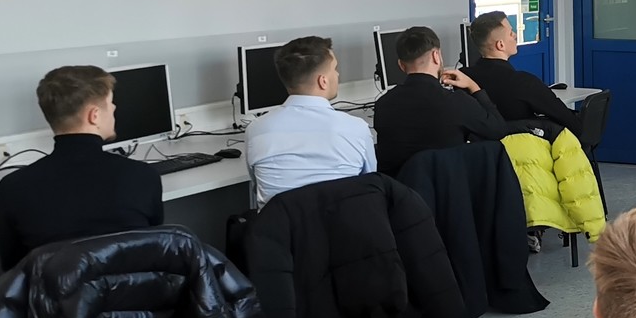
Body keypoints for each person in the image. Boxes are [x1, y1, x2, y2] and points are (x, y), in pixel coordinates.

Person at [0, 65, 164, 318]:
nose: (115, 110)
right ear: (94, 115)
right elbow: (153, 253)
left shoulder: (13, 188)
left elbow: (13, 267)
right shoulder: (143, 177)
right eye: (111, 104)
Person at [244, 36, 376, 207]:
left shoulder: (255, 130)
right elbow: (370, 185)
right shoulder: (357, 129)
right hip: (342, 222)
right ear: (323, 81)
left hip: (278, 223)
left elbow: (257, 186)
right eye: (335, 69)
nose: (337, 74)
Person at [371, 25, 509, 177]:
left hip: (398, 189)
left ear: (401, 65)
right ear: (436, 56)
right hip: (446, 187)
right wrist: (473, 86)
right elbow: (498, 130)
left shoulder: (382, 105)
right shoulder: (456, 102)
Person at [465, 11, 580, 136]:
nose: (515, 35)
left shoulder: (464, 79)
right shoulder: (524, 82)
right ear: (500, 45)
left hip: (480, 147)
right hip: (524, 146)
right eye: (511, 33)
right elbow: (570, 122)